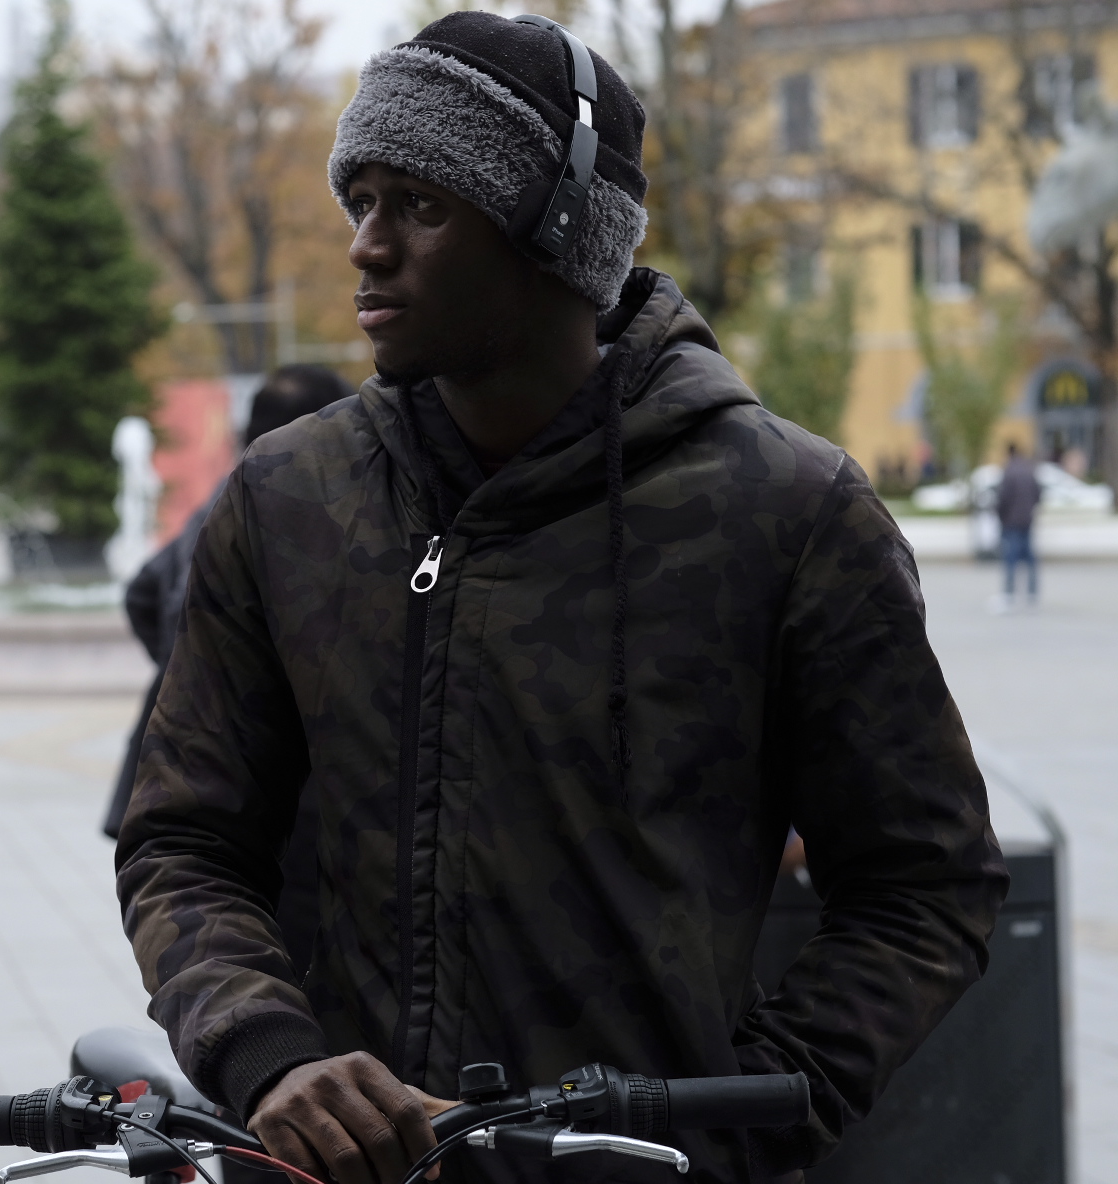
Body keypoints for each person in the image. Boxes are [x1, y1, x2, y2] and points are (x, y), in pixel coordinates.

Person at [114, 12, 1008, 1184]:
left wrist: (743, 1117)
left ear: (558, 232)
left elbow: (924, 882)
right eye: (361, 201)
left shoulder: (787, 512)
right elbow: (182, 834)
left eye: (421, 205)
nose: (366, 249)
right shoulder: (288, 497)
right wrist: (269, 1055)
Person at [105, 364, 355, 969]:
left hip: (184, 776)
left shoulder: (225, 498)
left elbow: (142, 592)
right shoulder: (299, 510)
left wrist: (181, 669)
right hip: (274, 798)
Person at [995, 442, 1042, 610]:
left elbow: (1003, 498)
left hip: (1012, 521)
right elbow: (1038, 494)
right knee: (1030, 557)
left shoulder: (1009, 471)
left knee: (1011, 558)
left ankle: (1009, 593)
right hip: (1027, 520)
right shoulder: (1029, 470)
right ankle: (1032, 592)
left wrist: (1001, 516)